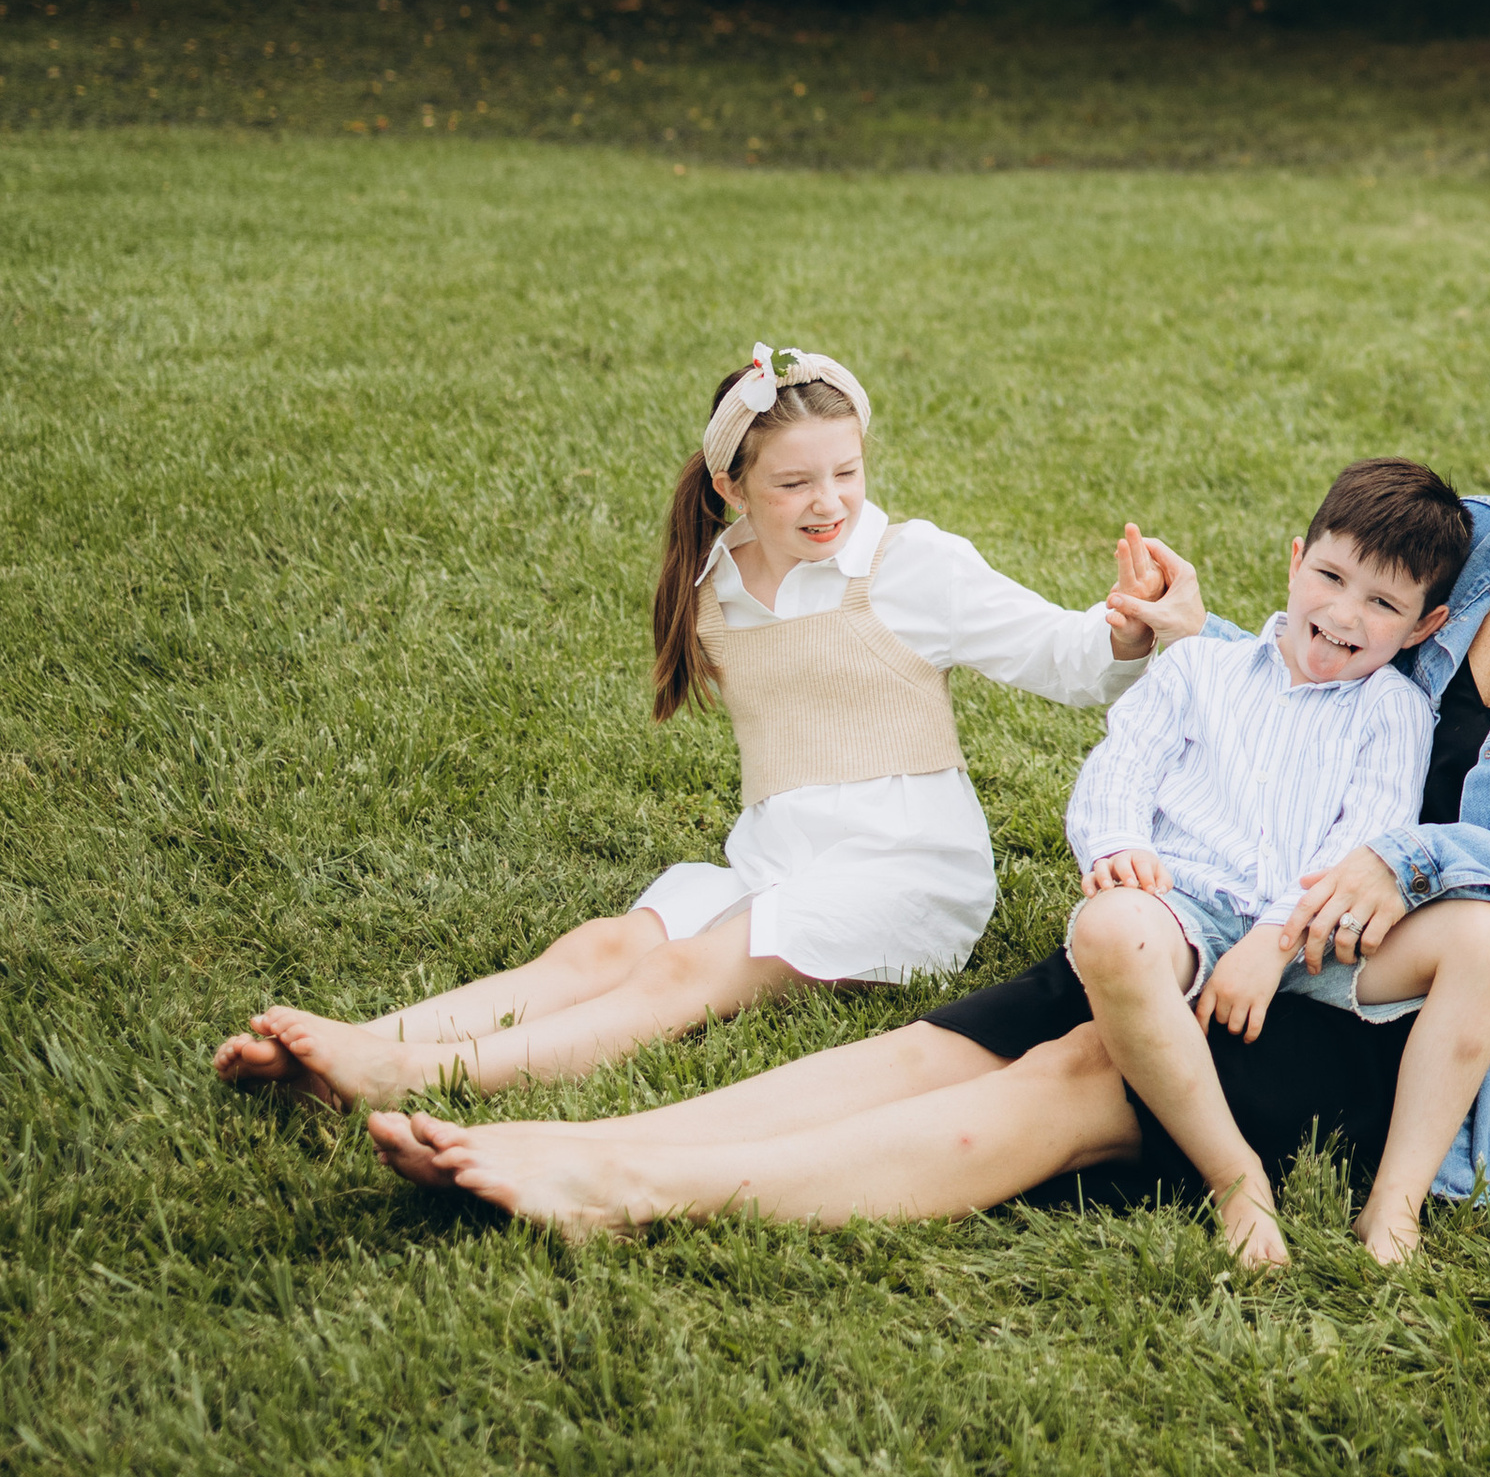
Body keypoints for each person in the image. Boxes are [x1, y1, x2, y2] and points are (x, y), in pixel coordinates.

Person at [365, 256, 1490, 1253]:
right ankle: (608, 1143)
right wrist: (1197, 635)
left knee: (1065, 1079)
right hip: (1263, 916)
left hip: (1417, 1038)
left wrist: (1419, 862)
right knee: (958, 1037)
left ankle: (626, 1187)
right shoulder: (1479, 545)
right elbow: (1321, 689)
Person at [221, 342, 1197, 1108]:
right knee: (601, 949)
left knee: (683, 973)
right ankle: (362, 1041)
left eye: (846, 473)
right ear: (730, 485)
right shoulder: (713, 580)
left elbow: (1071, 669)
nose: (829, 503)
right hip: (773, 859)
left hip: (906, 873)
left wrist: (1122, 629)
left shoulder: (910, 566)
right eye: (794, 484)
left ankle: (427, 1076)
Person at [1062, 460, 1490, 1272]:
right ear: (1295, 559)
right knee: (1110, 931)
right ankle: (1234, 1178)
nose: (1345, 614)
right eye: (1331, 577)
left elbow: (1365, 841)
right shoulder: (1197, 668)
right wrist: (1117, 844)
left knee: (1488, 939)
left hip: (1315, 930)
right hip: (1185, 902)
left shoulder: (1394, 710)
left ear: (1425, 626)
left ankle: (1394, 1204)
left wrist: (1274, 940)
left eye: (1384, 603)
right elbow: (1121, 764)